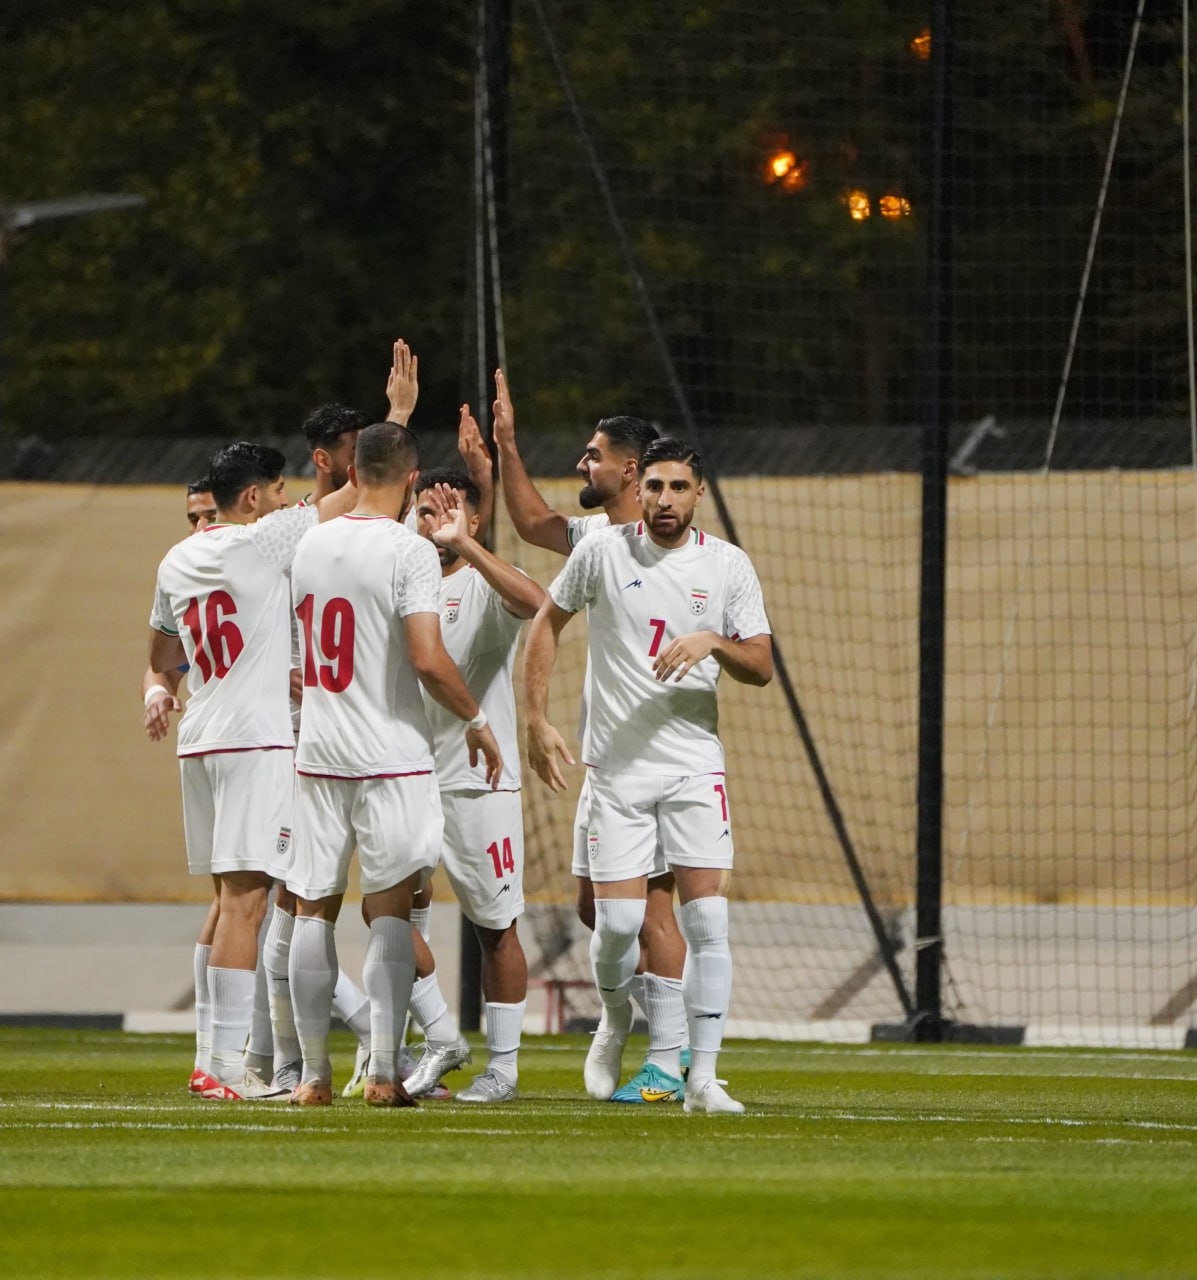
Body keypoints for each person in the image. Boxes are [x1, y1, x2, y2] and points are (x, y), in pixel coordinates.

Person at [524, 437, 773, 1115]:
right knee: (616, 925)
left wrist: (713, 641)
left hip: (693, 766)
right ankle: (613, 1020)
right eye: (655, 486)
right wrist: (536, 719)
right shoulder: (603, 551)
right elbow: (546, 623)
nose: (665, 499)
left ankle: (702, 1079)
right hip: (618, 773)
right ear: (639, 490)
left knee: (707, 919)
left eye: (678, 487)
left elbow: (760, 664)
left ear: (698, 494)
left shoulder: (727, 564)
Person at [285, 422, 503, 1107]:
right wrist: (476, 720)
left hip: (319, 754)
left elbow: (302, 660)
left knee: (312, 910)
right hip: (390, 759)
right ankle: (383, 1072)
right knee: (389, 912)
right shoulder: (408, 550)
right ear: (412, 480)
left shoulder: (311, 542)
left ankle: (313, 1076)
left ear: (353, 470)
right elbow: (428, 659)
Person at [493, 370, 690, 1103]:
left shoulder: (685, 550)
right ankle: (626, 1017)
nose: (583, 464)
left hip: (663, 759)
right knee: (594, 909)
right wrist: (506, 445)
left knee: (656, 912)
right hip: (606, 757)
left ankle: (671, 1055)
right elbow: (531, 523)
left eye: (594, 455)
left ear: (631, 470)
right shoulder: (598, 541)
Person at [148, 443, 355, 1101]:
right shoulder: (263, 540)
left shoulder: (176, 558)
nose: (283, 498)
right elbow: (353, 495)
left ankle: (210, 1059)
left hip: (201, 739)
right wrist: (400, 417)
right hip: (253, 743)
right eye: (276, 489)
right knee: (247, 904)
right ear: (251, 497)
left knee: (224, 901)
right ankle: (225, 1068)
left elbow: (162, 654)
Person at [400, 433, 544, 1103]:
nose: (434, 521)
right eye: (425, 510)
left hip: (477, 782)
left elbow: (537, 602)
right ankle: (429, 1041)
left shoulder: (482, 584)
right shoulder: (402, 584)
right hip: (404, 775)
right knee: (391, 915)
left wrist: (468, 544)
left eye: (448, 509)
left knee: (495, 927)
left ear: (473, 518)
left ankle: (503, 1068)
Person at [142, 476, 218, 1092]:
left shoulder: (265, 556)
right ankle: (227, 1057)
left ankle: (221, 1053)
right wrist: (155, 692)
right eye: (192, 516)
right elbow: (162, 662)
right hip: (240, 742)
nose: (199, 527)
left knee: (246, 899)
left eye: (210, 513)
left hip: (267, 738)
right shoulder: (182, 569)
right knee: (262, 898)